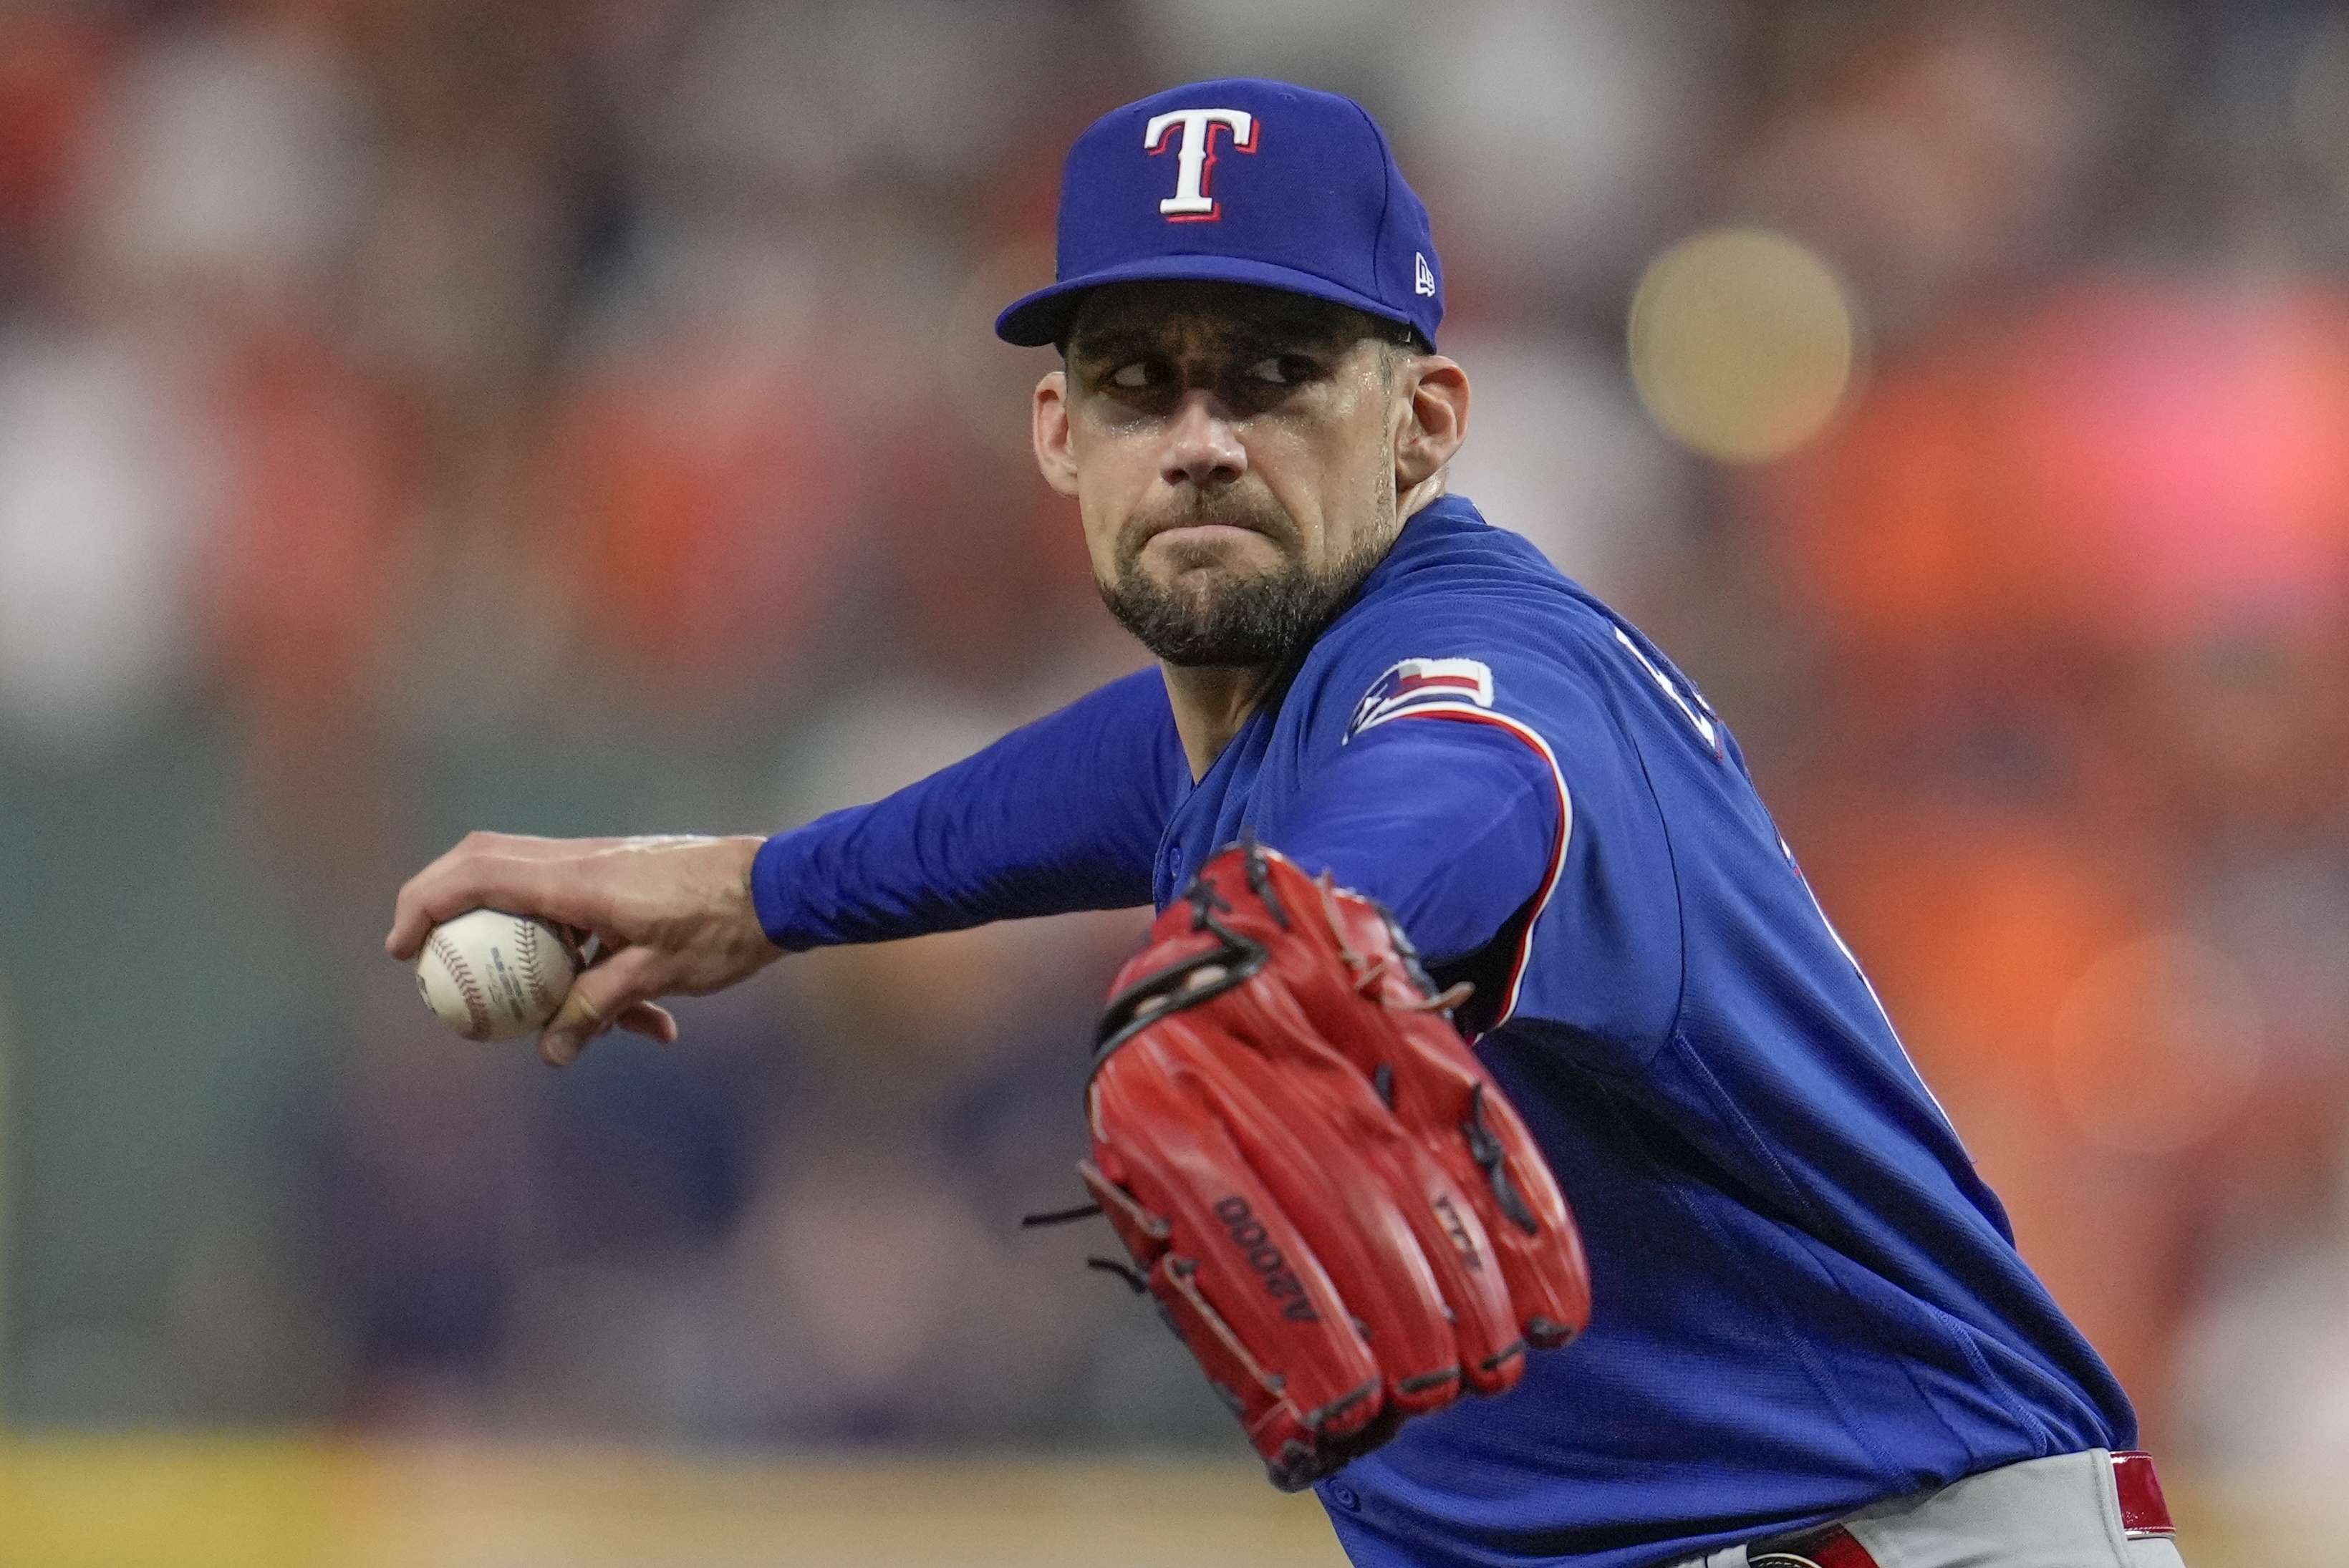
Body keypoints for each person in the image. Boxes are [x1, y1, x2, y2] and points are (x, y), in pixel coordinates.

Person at [388, 79, 2185, 1568]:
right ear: (1053, 433)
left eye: (1268, 375)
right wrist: (761, 888)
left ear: (1422, 425)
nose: (1197, 439)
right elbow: (1105, 781)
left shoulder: (1485, 669)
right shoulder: (1245, 716)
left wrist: (1302, 926)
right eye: (1136, 381)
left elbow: (1475, 784)